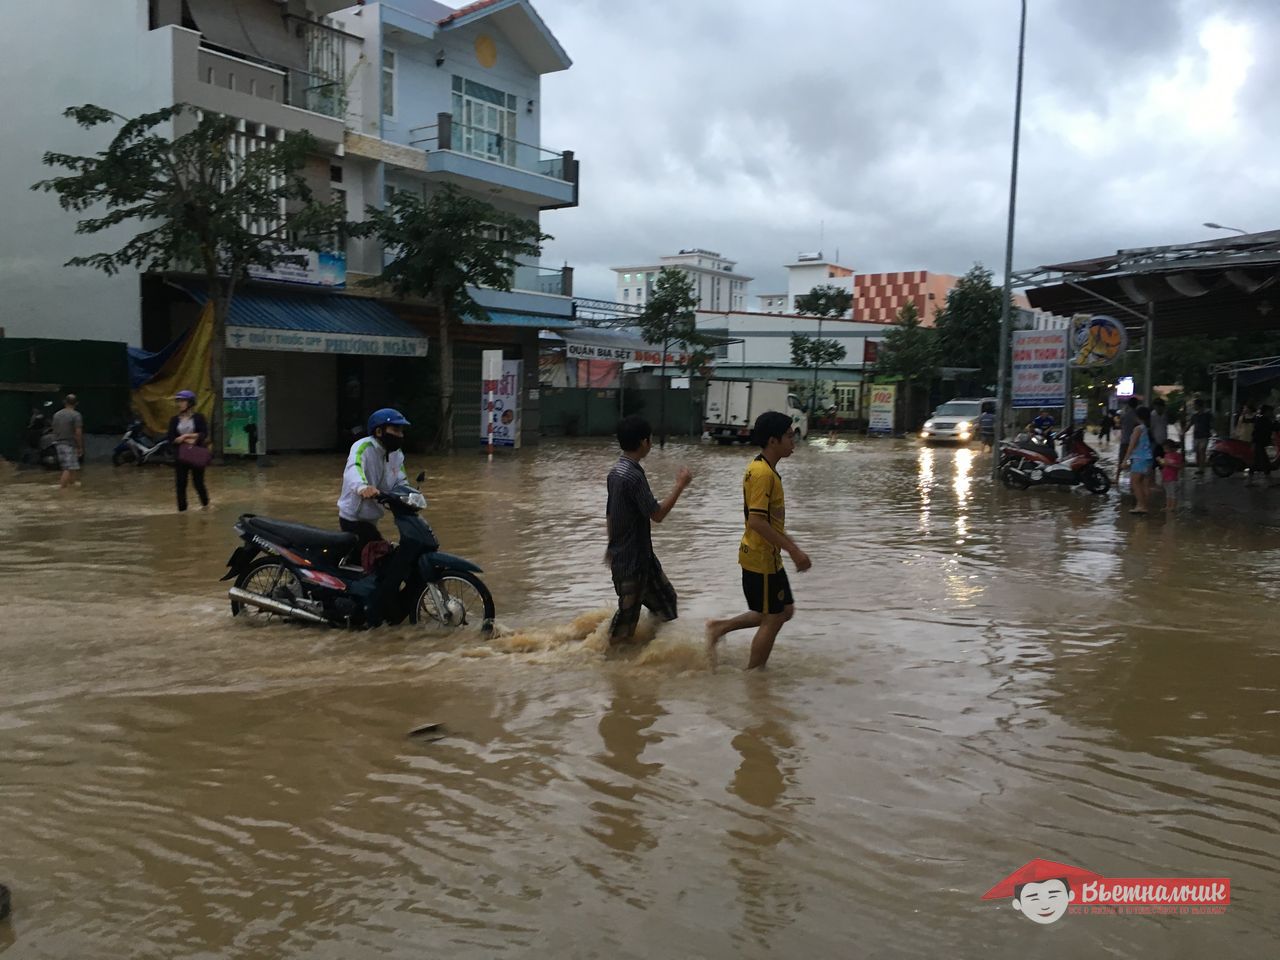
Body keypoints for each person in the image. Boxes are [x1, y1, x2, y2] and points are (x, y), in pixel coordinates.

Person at [705, 411, 811, 670]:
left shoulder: (766, 470)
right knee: (773, 617)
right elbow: (756, 521)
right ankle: (755, 678)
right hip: (760, 559)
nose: (793, 440)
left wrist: (791, 548)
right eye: (788, 436)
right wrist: (794, 551)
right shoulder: (762, 473)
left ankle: (719, 628)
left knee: (784, 610)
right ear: (773, 441)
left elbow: (770, 521)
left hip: (769, 557)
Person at [604, 416, 693, 645]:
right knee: (625, 623)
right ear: (644, 442)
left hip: (640, 558)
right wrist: (680, 485)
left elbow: (610, 514)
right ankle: (609, 665)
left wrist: (610, 546)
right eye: (650, 439)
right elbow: (657, 514)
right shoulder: (633, 476)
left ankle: (654, 650)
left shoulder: (616, 472)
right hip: (632, 561)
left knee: (667, 602)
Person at [336, 408, 411, 557]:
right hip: (354, 518)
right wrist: (362, 487)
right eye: (395, 430)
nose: (400, 435)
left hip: (373, 516)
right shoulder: (362, 447)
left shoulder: (397, 454)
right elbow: (354, 468)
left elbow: (401, 479)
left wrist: (409, 494)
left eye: (401, 431)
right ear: (379, 431)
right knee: (380, 556)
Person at [167, 390, 210, 511]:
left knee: (198, 483)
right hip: (181, 455)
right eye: (178, 401)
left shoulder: (199, 418)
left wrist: (187, 437)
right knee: (180, 484)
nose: (180, 404)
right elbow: (170, 438)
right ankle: (182, 511)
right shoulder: (174, 420)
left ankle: (206, 505)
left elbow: (204, 434)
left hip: (196, 454)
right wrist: (180, 439)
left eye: (183, 401)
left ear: (190, 403)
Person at [1121, 404, 1153, 515]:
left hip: (1139, 458)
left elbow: (1132, 445)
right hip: (1147, 458)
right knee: (1144, 484)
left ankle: (1141, 505)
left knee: (1134, 482)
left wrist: (1125, 460)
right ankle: (1144, 505)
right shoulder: (1145, 428)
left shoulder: (1138, 429)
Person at [50, 393, 84, 489]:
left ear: (64, 402)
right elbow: (78, 432)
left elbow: (54, 429)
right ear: (76, 403)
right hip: (69, 444)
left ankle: (71, 485)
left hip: (58, 443)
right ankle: (62, 490)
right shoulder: (76, 415)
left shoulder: (56, 415)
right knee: (68, 468)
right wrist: (80, 447)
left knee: (72, 466)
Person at [1248, 403, 1274, 487]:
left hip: (1259, 443)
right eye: (1270, 411)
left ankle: (1250, 480)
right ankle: (1267, 481)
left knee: (1257, 462)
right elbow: (1273, 427)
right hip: (1259, 443)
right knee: (1264, 462)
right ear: (1266, 411)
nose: (1271, 413)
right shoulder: (1263, 420)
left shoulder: (1262, 419)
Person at [1157, 435, 1184, 513]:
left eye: (1166, 448)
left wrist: (1170, 464)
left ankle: (1173, 506)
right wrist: (1161, 461)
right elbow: (1164, 465)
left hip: (1173, 478)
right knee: (1168, 493)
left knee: (1172, 493)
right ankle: (1168, 506)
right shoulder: (1166, 455)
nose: (1165, 450)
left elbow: (1179, 466)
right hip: (1166, 477)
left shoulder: (1177, 456)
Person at [1116, 397, 1140, 483]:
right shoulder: (1136, 416)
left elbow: (1119, 424)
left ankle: (1117, 478)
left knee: (1121, 460)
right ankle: (1133, 480)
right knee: (1134, 461)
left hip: (1124, 440)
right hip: (1134, 441)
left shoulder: (1124, 414)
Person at [1189, 397, 1213, 476]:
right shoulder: (1194, 416)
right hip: (1196, 435)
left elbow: (1212, 424)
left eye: (1194, 405)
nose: (1193, 406)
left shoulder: (1207, 415)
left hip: (1204, 435)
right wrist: (1184, 431)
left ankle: (1201, 468)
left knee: (1202, 451)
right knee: (1197, 452)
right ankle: (1199, 467)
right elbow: (1190, 424)